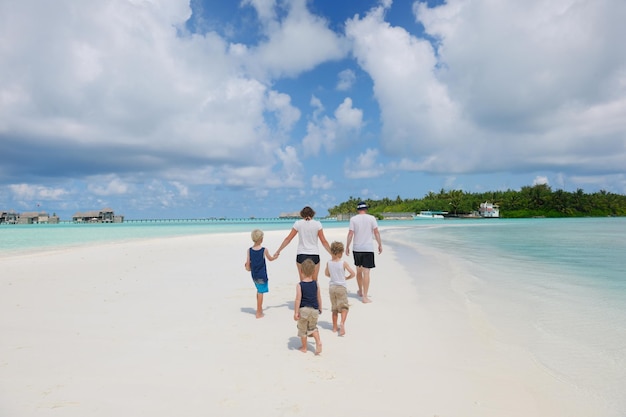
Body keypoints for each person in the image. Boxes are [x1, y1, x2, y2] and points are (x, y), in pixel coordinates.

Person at [274, 206, 331, 281]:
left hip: (301, 255)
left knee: (302, 281)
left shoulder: (298, 224)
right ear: (312, 214)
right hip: (314, 255)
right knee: (314, 280)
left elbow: (288, 239)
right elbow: (324, 241)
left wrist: (278, 250)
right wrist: (332, 254)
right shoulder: (317, 224)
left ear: (302, 214)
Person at [345, 201, 382, 303]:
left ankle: (360, 291)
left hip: (357, 249)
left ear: (358, 210)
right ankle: (365, 297)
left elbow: (350, 233)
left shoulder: (353, 219)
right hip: (368, 248)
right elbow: (376, 232)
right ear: (366, 209)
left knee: (358, 271)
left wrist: (347, 246)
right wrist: (380, 244)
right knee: (366, 273)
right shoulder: (372, 218)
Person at [245, 229, 278, 318]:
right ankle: (259, 312)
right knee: (260, 292)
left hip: (254, 275)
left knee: (258, 290)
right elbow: (270, 259)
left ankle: (259, 308)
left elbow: (248, 264)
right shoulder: (264, 250)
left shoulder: (249, 250)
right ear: (261, 239)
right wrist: (275, 257)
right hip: (262, 275)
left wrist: (247, 268)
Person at [324, 241, 355, 336]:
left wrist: (333, 277)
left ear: (332, 252)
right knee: (344, 307)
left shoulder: (329, 263)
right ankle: (342, 323)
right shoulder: (343, 263)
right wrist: (345, 278)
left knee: (334, 308)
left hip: (332, 287)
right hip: (341, 287)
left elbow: (326, 274)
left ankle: (334, 327)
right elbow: (353, 273)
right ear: (340, 252)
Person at [294, 259, 323, 354]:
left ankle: (304, 347)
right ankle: (318, 342)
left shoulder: (300, 285)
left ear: (301, 271)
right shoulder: (316, 284)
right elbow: (319, 297)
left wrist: (296, 312)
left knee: (302, 329)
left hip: (304, 310)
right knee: (313, 327)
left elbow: (298, 299)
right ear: (314, 271)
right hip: (314, 310)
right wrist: (320, 307)